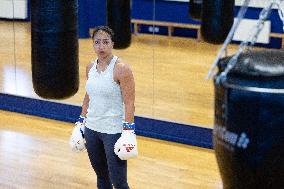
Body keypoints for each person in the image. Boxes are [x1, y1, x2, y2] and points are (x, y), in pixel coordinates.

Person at [77, 26, 136, 189]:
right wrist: (80, 123)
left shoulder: (122, 69)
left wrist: (129, 132)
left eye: (105, 42)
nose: (101, 46)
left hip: (113, 131)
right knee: (101, 177)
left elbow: (130, 102)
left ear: (112, 44)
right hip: (92, 129)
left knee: (119, 181)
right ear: (93, 45)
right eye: (97, 42)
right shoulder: (90, 67)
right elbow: (88, 96)